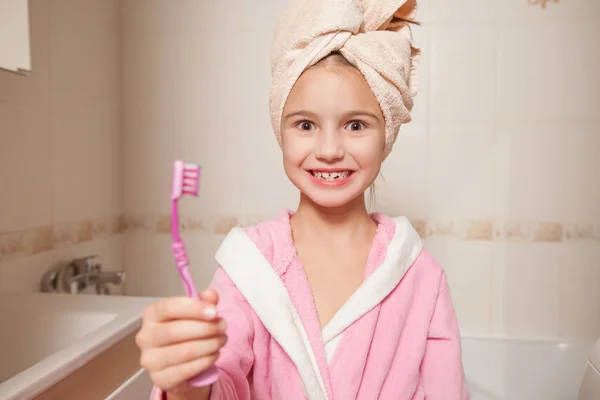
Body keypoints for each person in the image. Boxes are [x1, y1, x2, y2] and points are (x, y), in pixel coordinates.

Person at [136, 0, 469, 399]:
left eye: (356, 125)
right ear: (281, 131)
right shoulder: (249, 266)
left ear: (387, 136)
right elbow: (219, 386)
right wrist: (184, 378)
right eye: (306, 124)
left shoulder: (419, 277)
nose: (329, 150)